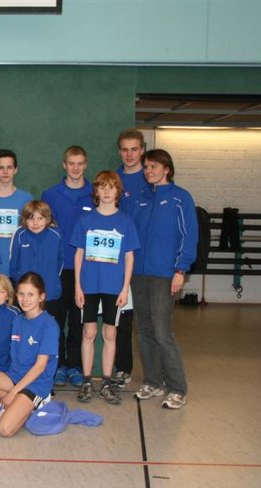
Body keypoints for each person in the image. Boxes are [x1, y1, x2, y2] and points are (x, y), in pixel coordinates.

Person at [131, 149, 198, 410]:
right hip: (139, 274)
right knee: (144, 332)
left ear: (167, 169)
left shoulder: (181, 198)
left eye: (154, 167)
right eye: (146, 167)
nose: (149, 171)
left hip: (164, 275)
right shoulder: (141, 198)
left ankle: (178, 388)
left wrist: (180, 270)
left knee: (162, 333)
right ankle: (153, 381)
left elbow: (189, 237)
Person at [70, 171, 139, 405]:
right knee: (88, 333)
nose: (107, 191)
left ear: (118, 191)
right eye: (102, 187)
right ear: (96, 191)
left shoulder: (126, 221)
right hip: (89, 286)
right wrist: (78, 286)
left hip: (114, 288)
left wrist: (125, 288)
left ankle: (107, 382)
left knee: (110, 334)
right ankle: (87, 381)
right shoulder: (85, 220)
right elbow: (78, 254)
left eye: (111, 187)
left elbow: (129, 257)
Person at [0, 272, 59, 437]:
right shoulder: (18, 320)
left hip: (36, 384)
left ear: (41, 297)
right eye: (21, 294)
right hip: (14, 376)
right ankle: (17, 404)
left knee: (5, 429)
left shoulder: (48, 325)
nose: (25, 299)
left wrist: (13, 393)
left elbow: (40, 367)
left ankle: (36, 403)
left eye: (30, 294)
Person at [40, 145, 94, 388]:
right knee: (55, 321)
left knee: (78, 321)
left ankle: (75, 366)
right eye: (71, 163)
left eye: (80, 163)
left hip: (85, 270)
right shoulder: (50, 195)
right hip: (56, 270)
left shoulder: (95, 194)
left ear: (85, 165)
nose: (75, 168)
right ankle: (59, 365)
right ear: (64, 165)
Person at [9, 200, 64, 364]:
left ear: (47, 219)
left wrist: (51, 282)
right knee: (25, 334)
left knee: (50, 332)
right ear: (24, 220)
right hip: (25, 296)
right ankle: (22, 366)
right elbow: (13, 265)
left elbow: (60, 262)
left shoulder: (55, 235)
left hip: (50, 294)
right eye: (31, 218)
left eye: (40, 218)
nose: (35, 223)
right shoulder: (19, 235)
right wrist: (22, 289)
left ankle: (54, 369)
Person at [112, 129, 147, 387]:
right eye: (125, 149)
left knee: (148, 323)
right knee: (121, 319)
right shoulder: (114, 180)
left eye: (134, 149)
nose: (129, 154)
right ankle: (123, 368)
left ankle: (155, 375)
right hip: (118, 262)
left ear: (142, 150)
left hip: (146, 263)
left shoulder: (151, 179)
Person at [0, 149, 33, 279]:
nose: (5, 172)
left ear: (15, 170)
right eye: (1, 168)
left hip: (19, 269)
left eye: (9, 167)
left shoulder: (26, 199)